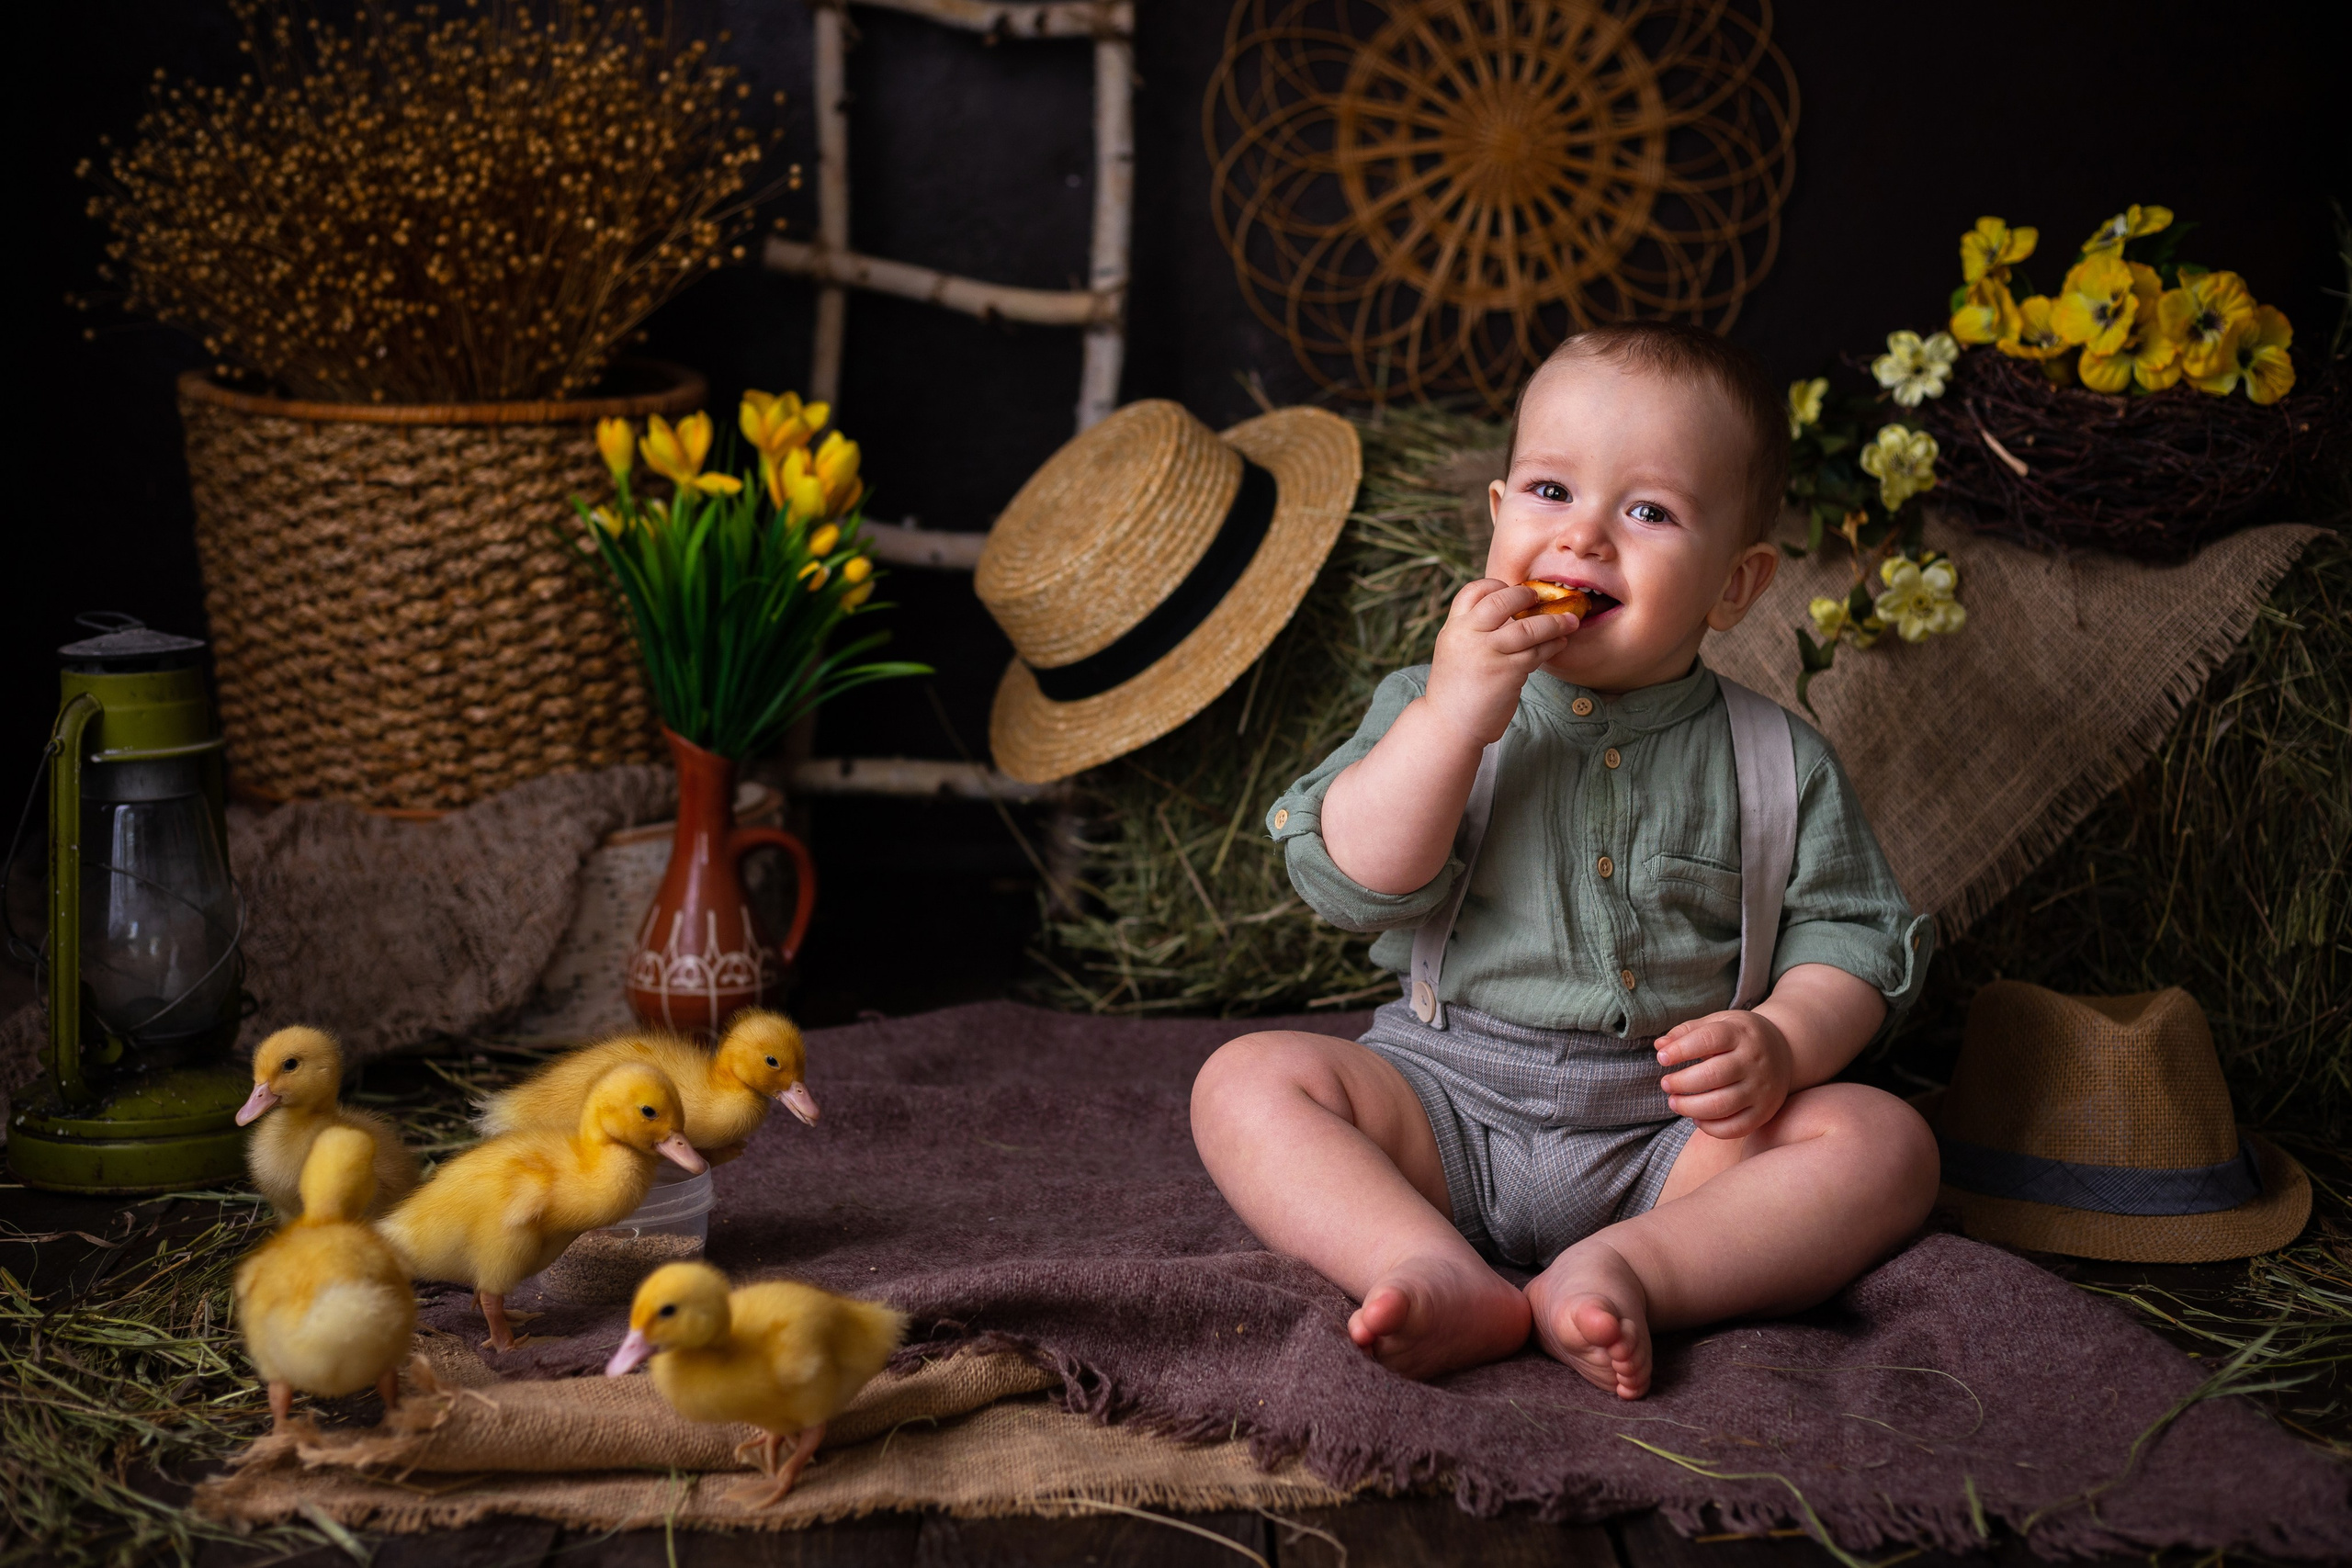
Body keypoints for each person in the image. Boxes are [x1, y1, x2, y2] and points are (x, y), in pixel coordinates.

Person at [1189, 322, 1939, 1399]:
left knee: (1884, 1142)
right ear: (1496, 519)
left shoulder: (1777, 758)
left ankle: (1630, 1269)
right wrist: (1453, 720)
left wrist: (1781, 1040)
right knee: (1244, 1082)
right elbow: (1356, 883)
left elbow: (1854, 938)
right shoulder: (1427, 706)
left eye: (1648, 512)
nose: (1583, 537)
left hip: (1675, 1132)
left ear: (1734, 585)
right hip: (1443, 1097)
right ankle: (1420, 1261)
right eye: (1549, 492)